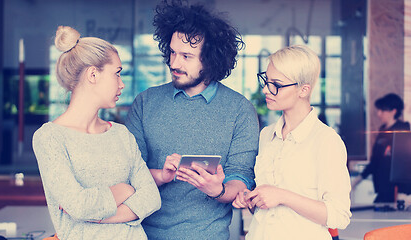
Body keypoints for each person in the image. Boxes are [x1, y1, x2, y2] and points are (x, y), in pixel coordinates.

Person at [125, 1, 259, 239]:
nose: (174, 63)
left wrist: (217, 190)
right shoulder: (145, 103)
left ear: (210, 60)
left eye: (186, 56)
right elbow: (129, 175)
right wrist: (162, 175)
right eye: (173, 52)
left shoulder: (240, 110)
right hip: (143, 235)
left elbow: (242, 178)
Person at [32, 26, 161, 240]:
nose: (122, 84)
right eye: (117, 74)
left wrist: (101, 217)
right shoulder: (49, 138)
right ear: (93, 74)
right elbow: (79, 206)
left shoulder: (121, 134)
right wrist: (125, 189)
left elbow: (151, 198)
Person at [232, 45, 351, 240]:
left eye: (276, 84)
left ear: (303, 90)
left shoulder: (326, 140)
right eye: (266, 81)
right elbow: (269, 209)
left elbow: (339, 216)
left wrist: (282, 196)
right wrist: (252, 199)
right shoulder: (266, 135)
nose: (265, 90)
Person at [352, 93, 411, 203]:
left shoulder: (403, 130)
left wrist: (404, 192)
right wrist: (357, 180)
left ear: (393, 111)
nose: (379, 114)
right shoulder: (383, 130)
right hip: (382, 189)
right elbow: (375, 161)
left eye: (382, 110)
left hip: (398, 192)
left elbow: (404, 163)